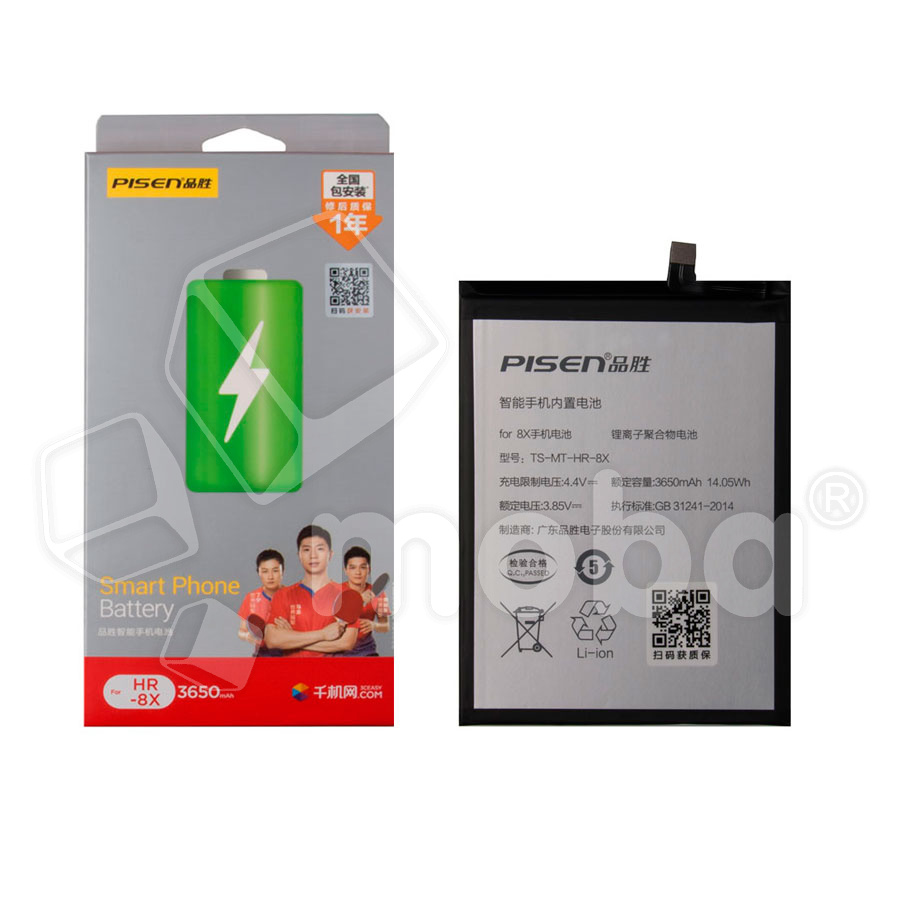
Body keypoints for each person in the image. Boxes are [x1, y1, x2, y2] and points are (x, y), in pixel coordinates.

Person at [264, 525, 360, 656]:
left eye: (320, 549)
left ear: (330, 554)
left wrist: (292, 637)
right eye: (306, 550)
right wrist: (323, 634)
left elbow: (346, 643)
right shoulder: (283, 595)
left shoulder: (346, 595)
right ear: (299, 555)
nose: (313, 555)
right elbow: (272, 640)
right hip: (292, 669)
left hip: (331, 670)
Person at [336, 545, 390, 657]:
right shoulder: (336, 591)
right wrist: (359, 600)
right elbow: (334, 622)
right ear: (345, 570)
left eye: (363, 567)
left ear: (368, 570)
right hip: (339, 650)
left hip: (366, 651)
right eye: (353, 568)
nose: (358, 572)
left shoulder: (379, 594)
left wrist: (374, 625)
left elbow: (386, 626)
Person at [236, 549, 285, 656]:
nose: (270, 576)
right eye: (265, 571)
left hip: (288, 655)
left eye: (275, 570)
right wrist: (248, 636)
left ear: (283, 571)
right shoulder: (251, 598)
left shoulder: (293, 597)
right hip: (262, 655)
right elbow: (241, 631)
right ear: (259, 573)